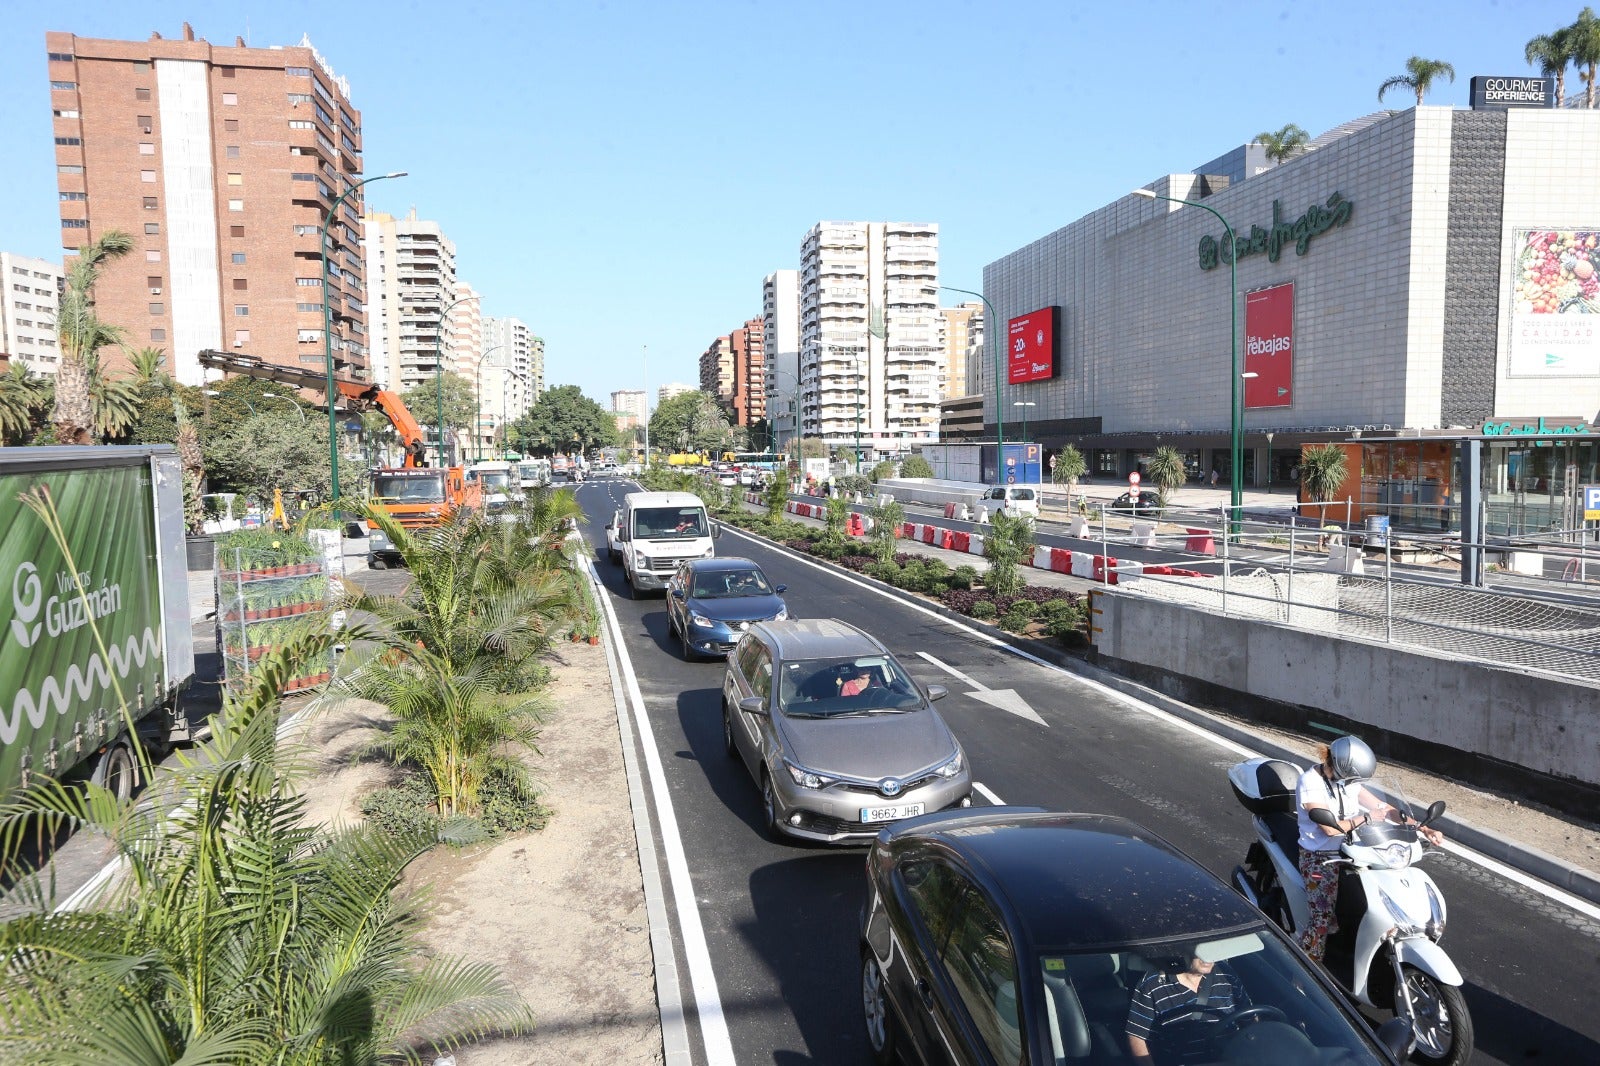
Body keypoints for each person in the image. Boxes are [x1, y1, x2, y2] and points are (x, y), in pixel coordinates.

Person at [1295, 736, 1443, 962]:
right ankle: (1306, 969)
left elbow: (1383, 808)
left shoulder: (1348, 782)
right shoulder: (1310, 782)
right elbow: (1329, 829)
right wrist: (1366, 817)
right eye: (1353, 777)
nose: (1355, 782)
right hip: (1319, 857)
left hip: (1353, 851)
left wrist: (1423, 829)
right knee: (1322, 918)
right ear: (1343, 768)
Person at [1126, 945, 1251, 1065]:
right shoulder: (1152, 984)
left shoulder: (1226, 973)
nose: (1209, 955)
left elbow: (1250, 1019)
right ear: (1181, 949)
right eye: (1201, 949)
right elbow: (1137, 1037)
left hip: (1232, 1059)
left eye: (1212, 947)